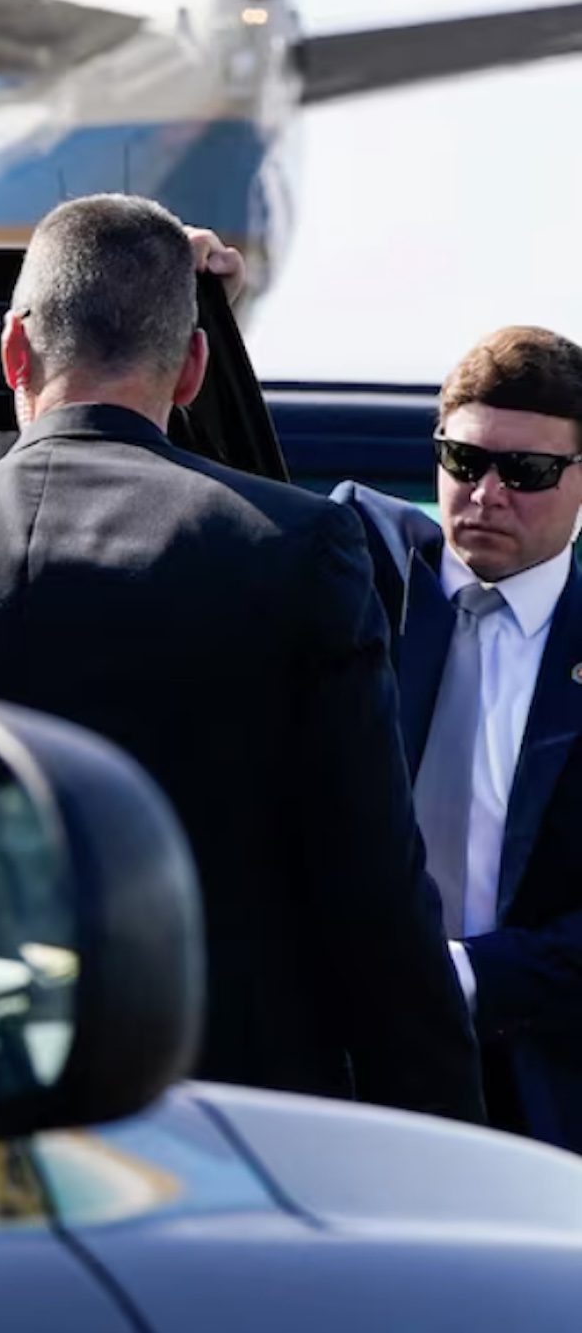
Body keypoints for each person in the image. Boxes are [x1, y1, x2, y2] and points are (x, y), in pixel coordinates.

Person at [0, 194, 484, 1120]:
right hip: (220, 1133)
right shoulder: (298, 551)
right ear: (192, 370)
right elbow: (372, 892)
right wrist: (438, 1144)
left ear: (13, 353)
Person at [320, 328, 582, 1149]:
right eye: (464, 463)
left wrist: (467, 976)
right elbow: (199, 499)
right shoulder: (357, 576)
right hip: (344, 1065)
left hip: (538, 1078)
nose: (488, 493)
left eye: (528, 472)